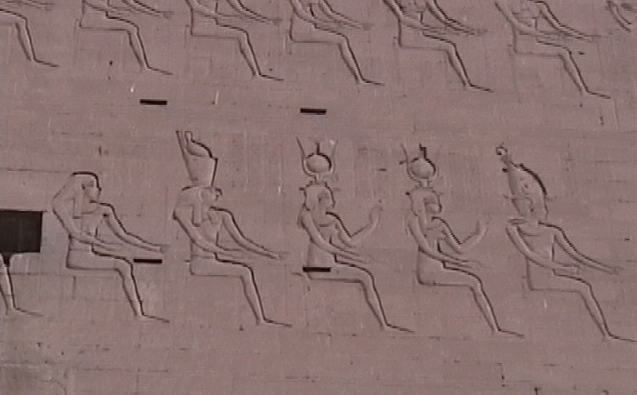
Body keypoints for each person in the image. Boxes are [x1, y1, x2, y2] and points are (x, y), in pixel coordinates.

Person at [497, 146, 633, 342]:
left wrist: (606, 268)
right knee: (583, 288)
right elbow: (530, 255)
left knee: (584, 288)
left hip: (550, 274)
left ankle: (605, 334)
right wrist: (561, 267)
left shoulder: (551, 231)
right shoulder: (515, 228)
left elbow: (576, 255)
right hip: (540, 280)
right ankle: (605, 335)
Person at [401, 144, 520, 338]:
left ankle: (494, 329)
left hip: (439, 269)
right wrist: (456, 262)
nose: (438, 204)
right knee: (473, 283)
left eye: (436, 200)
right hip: (428, 272)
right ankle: (494, 330)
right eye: (433, 200)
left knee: (475, 282)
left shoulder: (439, 224)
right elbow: (426, 249)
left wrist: (479, 233)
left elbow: (460, 248)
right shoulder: (414, 221)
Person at [52, 172, 166, 322]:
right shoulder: (66, 209)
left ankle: (139, 314)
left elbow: (123, 235)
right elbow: (77, 235)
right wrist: (107, 247)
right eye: (94, 186)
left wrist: (154, 248)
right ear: (82, 189)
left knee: (124, 261)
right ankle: (138, 315)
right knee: (123, 266)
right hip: (77, 257)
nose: (98, 189)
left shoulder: (104, 210)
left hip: (89, 254)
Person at [298, 182, 408, 331]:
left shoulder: (333, 220)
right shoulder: (307, 216)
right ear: (318, 199)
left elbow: (351, 242)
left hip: (330, 266)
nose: (332, 199)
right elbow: (322, 244)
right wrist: (354, 258)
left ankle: (383, 324)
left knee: (366, 276)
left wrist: (372, 225)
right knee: (364, 276)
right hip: (316, 268)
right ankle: (383, 325)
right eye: (328, 196)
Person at [173, 185, 288, 327]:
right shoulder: (185, 213)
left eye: (216, 193)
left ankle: (260, 320)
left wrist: (270, 254)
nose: (216, 195)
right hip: (200, 263)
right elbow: (199, 241)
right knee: (245, 272)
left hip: (212, 261)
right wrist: (228, 253)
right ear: (201, 193)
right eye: (211, 191)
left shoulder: (223, 216)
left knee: (246, 270)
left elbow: (241, 241)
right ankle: (260, 320)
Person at [495, 0, 608, 99]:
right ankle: (583, 91)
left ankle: (583, 91)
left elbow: (558, 26)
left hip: (535, 42)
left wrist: (582, 37)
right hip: (523, 45)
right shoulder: (505, 1)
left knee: (564, 51)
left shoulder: (539, 5)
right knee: (563, 52)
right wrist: (546, 35)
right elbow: (518, 26)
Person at [178, 0, 281, 81]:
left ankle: (256, 74)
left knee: (242, 34)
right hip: (200, 27)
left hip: (213, 25)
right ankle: (256, 74)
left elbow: (240, 9)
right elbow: (196, 7)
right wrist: (221, 17)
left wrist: (267, 20)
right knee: (241, 35)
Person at [383, 0, 489, 91]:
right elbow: (403, 19)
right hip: (408, 39)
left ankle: (466, 84)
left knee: (450, 47)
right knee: (449, 47)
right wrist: (434, 30)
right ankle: (466, 84)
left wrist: (470, 31)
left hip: (419, 36)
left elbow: (445, 20)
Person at [285, 0, 380, 85]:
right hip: (300, 31)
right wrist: (327, 25)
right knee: (341, 40)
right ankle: (359, 79)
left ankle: (359, 79)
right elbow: (301, 13)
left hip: (311, 28)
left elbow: (330, 13)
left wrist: (357, 25)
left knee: (341, 39)